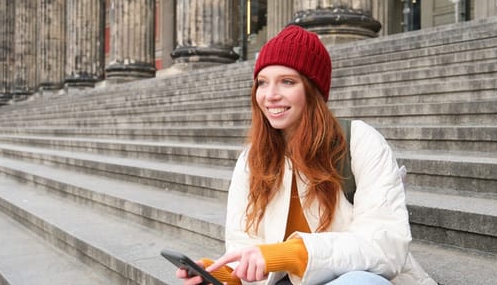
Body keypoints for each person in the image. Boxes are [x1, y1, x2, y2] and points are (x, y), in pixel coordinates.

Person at [177, 25, 435, 285]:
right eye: (262, 83)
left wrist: (294, 254)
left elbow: (385, 245)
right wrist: (219, 274)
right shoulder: (251, 160)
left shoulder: (359, 141)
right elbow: (245, 247)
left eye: (287, 82)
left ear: (313, 90)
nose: (270, 96)